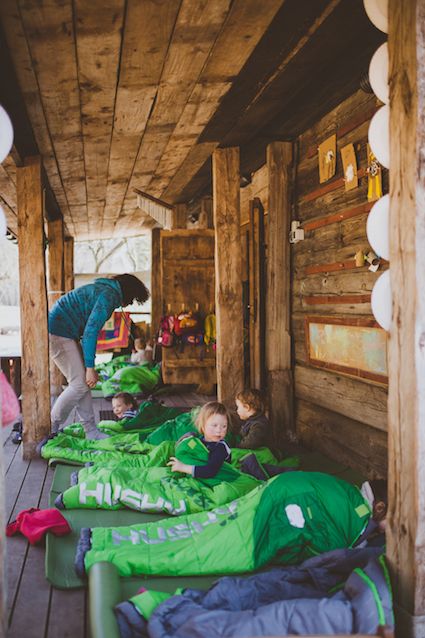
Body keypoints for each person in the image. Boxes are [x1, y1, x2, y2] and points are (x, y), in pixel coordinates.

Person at [48, 274, 149, 437]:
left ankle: (91, 430)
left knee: (83, 383)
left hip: (65, 332)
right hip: (59, 333)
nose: (130, 303)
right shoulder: (108, 297)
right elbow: (90, 333)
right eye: (132, 299)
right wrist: (90, 367)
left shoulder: (105, 290)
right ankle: (51, 425)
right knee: (79, 384)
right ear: (127, 292)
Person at [167, 401, 231, 479]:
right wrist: (186, 442)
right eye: (214, 425)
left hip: (216, 477)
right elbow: (192, 447)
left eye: (224, 426)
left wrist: (183, 467)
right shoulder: (200, 441)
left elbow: (210, 472)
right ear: (203, 425)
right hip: (196, 469)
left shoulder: (220, 448)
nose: (219, 430)